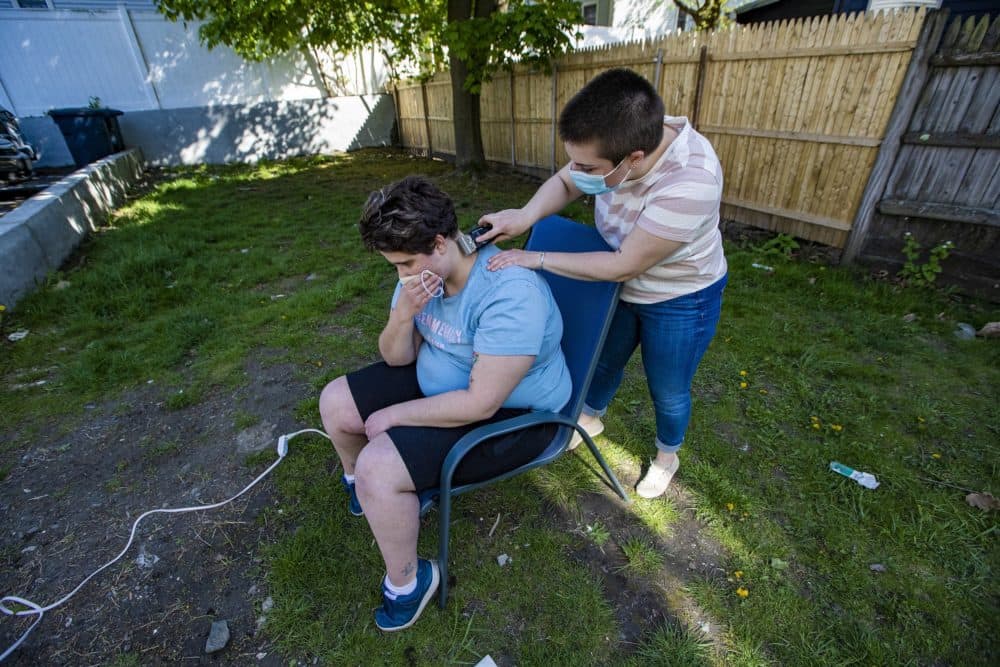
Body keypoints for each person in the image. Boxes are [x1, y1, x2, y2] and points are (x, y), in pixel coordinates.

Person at [318, 176, 571, 632]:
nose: (402, 276)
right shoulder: (422, 277)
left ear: (439, 243)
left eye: (406, 263)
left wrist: (394, 417)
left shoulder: (510, 294)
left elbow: (479, 403)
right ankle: (366, 492)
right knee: (336, 402)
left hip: (518, 417)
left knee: (380, 463)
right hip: (446, 379)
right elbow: (397, 357)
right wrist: (402, 315)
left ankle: (409, 583)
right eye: (393, 266)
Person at [480, 68, 727, 499]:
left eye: (588, 167)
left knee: (668, 388)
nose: (577, 172)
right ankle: (590, 415)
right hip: (616, 274)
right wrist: (523, 217)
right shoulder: (613, 137)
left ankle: (667, 457)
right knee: (602, 359)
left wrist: (534, 257)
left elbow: (623, 264)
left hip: (678, 295)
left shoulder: (692, 181)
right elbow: (564, 181)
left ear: (634, 157)